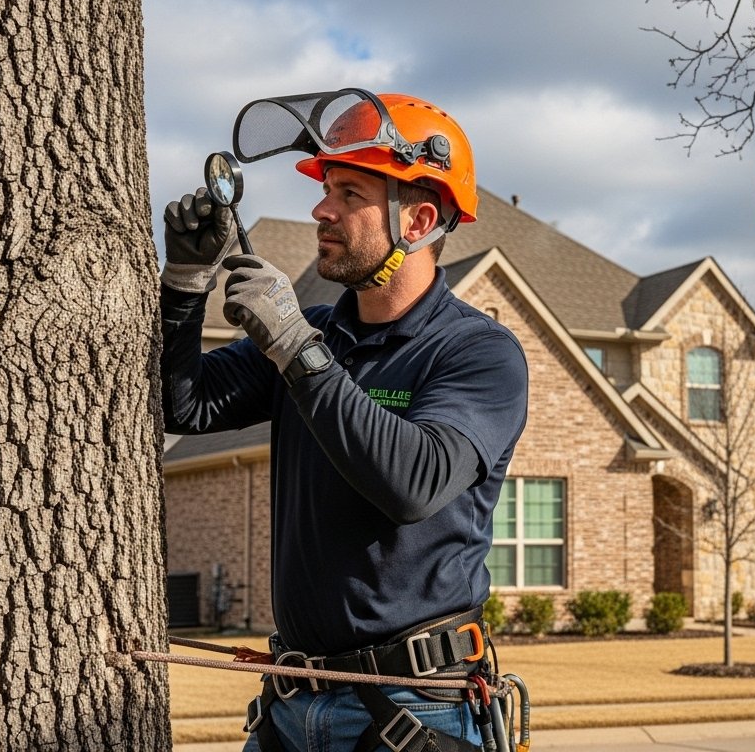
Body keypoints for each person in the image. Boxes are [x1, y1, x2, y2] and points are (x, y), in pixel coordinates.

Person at [158, 89, 528, 752]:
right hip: (292, 707)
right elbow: (181, 405)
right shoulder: (320, 334)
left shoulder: (478, 353)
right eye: (328, 188)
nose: (321, 209)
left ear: (417, 221)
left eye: (350, 194)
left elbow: (413, 483)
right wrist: (186, 284)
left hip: (414, 712)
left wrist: (295, 348)